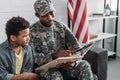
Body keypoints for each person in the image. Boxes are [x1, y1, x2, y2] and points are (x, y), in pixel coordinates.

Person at [30, 0, 97, 80]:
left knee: (85, 65)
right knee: (55, 76)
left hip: (65, 66)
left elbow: (76, 47)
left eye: (51, 13)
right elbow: (33, 57)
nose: (50, 18)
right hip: (47, 68)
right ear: (37, 15)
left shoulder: (61, 26)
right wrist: (54, 55)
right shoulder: (31, 32)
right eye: (45, 15)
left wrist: (73, 62)